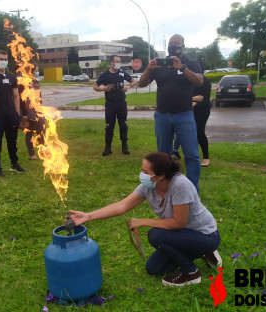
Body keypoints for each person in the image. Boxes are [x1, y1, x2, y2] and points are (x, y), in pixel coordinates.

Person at [69, 152, 221, 287]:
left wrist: (144, 221)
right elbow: (122, 206)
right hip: (181, 235)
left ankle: (192, 273)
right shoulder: (148, 186)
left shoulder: (180, 185)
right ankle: (203, 253)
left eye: (145, 171)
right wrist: (88, 216)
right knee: (154, 269)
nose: (141, 174)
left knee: (156, 235)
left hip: (205, 235)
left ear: (160, 176)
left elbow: (178, 222)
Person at [138, 34, 203, 191]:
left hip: (184, 115)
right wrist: (148, 69)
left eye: (177, 43)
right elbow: (141, 84)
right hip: (162, 116)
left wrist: (182, 67)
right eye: (171, 44)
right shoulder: (160, 64)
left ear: (183, 46)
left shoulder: (191, 63)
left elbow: (199, 81)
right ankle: (166, 186)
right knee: (163, 156)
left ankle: (193, 188)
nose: (173, 46)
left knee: (192, 154)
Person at [94, 55, 136, 156]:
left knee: (123, 125)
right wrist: (103, 89)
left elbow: (134, 81)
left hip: (121, 103)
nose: (118, 63)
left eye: (119, 61)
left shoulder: (122, 73)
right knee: (109, 126)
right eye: (117, 61)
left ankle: (124, 147)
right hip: (110, 104)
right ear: (111, 63)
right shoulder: (105, 75)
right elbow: (95, 86)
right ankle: (107, 148)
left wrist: (128, 87)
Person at [172, 73, 212, 167]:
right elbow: (180, 97)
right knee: (184, 132)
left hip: (202, 111)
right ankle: (178, 151)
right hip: (187, 109)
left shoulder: (205, 81)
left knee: (199, 132)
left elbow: (205, 100)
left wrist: (196, 103)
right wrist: (194, 98)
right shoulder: (185, 79)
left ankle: (206, 157)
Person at [18, 65, 46, 160]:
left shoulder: (35, 81)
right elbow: (21, 99)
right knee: (29, 133)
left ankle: (43, 152)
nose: (37, 72)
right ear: (31, 71)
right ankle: (32, 154)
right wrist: (24, 114)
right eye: (36, 70)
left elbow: (39, 96)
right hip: (28, 112)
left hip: (38, 111)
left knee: (42, 132)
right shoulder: (23, 82)